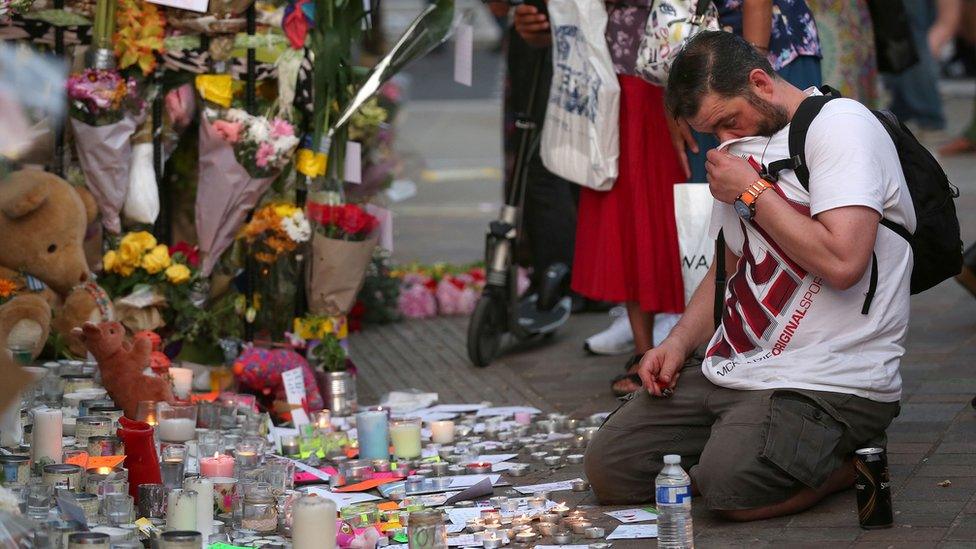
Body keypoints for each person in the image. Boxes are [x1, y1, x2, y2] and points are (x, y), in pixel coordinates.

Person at [585, 31, 909, 519]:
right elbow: (729, 266)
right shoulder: (745, 151)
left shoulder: (842, 128)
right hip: (738, 367)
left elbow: (845, 263)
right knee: (610, 470)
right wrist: (675, 344)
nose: (726, 141)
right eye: (712, 133)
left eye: (729, 122)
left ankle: (847, 463)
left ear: (761, 82)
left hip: (829, 376)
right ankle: (753, 446)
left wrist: (754, 192)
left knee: (730, 492)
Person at [515, 0, 687, 396]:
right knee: (628, 212)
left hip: (667, 69)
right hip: (609, 74)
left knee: (674, 209)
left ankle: (690, 345)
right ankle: (644, 350)